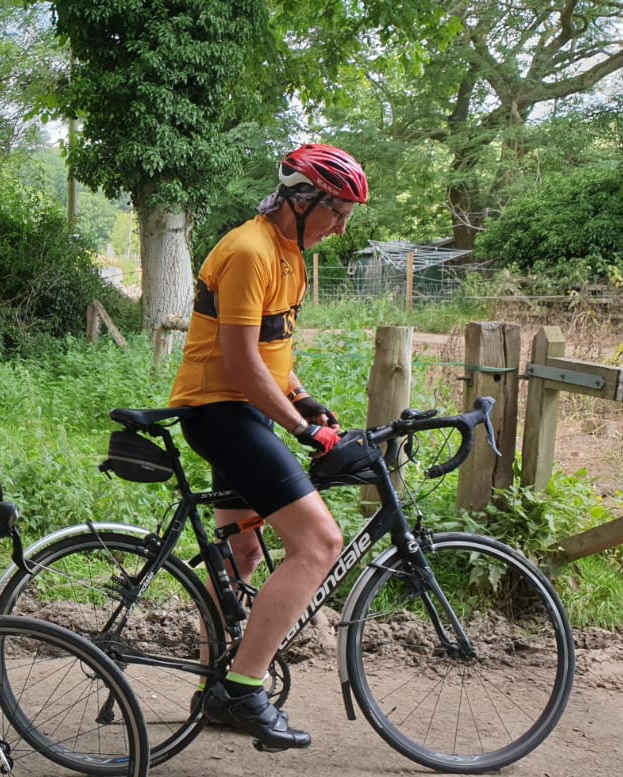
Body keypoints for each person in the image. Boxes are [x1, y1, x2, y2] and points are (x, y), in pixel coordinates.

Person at [167, 143, 369, 750]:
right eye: (337, 213)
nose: (341, 228)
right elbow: (240, 362)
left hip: (243, 411)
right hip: (222, 413)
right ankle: (244, 688)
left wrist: (302, 398)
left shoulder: (289, 254)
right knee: (319, 542)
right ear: (301, 201)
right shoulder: (250, 251)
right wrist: (304, 431)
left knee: (241, 554)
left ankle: (211, 690)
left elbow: (272, 351)